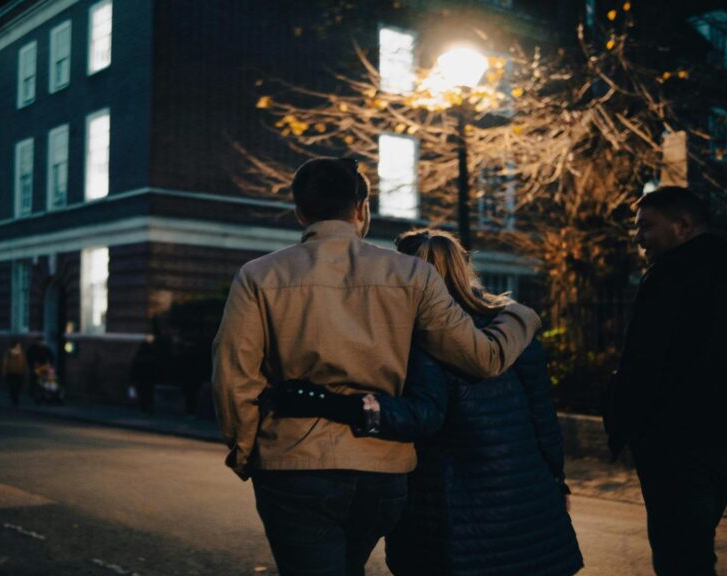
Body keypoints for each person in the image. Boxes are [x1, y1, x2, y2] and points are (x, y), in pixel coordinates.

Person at [212, 158, 542, 576]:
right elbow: (482, 357)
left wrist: (247, 452)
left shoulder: (259, 276)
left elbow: (233, 377)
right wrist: (520, 316)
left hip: (294, 465)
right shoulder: (412, 275)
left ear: (300, 212)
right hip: (382, 471)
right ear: (362, 208)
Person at [267, 229, 584, 576]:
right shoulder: (512, 328)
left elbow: (423, 416)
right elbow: (544, 420)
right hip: (529, 500)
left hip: (450, 510)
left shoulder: (421, 336)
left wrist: (331, 403)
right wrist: (557, 480)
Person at [604, 187, 727, 576]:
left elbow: (643, 359)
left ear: (683, 226)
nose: (638, 238)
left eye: (646, 227)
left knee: (680, 552)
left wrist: (623, 424)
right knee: (695, 541)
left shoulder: (669, 274)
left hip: (675, 439)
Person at [2, 341, 28, 406]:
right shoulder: (9, 353)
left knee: (19, 386)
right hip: (11, 372)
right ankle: (15, 400)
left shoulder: (22, 353)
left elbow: (24, 362)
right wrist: (5, 372)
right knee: (13, 386)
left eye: (19, 345)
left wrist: (25, 370)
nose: (18, 347)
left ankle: (15, 397)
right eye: (17, 345)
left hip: (20, 372)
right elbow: (5, 362)